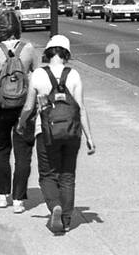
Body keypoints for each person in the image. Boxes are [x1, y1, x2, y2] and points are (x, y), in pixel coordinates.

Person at [20, 34, 92, 235]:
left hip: (46, 132)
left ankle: (55, 207)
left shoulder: (38, 75)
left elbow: (28, 106)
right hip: (72, 132)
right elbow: (81, 108)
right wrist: (89, 138)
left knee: (47, 175)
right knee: (68, 175)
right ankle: (67, 219)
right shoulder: (74, 74)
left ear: (49, 52)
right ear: (66, 53)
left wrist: (21, 122)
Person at [0, 9, 37, 213]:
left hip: (1, 106)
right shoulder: (29, 48)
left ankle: (2, 194)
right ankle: (19, 200)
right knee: (23, 152)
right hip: (24, 106)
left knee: (1, 150)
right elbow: (34, 77)